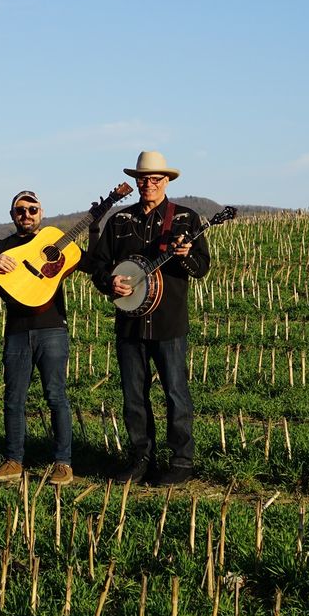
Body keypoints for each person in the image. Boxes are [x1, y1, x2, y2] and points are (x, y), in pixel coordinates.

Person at [89, 152, 211, 485]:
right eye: (144, 179)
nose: (149, 185)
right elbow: (98, 265)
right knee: (133, 395)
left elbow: (201, 268)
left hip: (169, 322)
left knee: (175, 392)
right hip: (129, 322)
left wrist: (185, 256)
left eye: (156, 179)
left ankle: (181, 461)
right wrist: (108, 281)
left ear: (167, 182)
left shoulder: (186, 219)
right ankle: (141, 457)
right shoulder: (119, 221)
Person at [0, 190, 96, 488]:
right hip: (17, 331)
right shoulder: (1, 247)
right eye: (20, 210)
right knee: (13, 398)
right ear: (12, 215)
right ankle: (13, 461)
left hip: (52, 328)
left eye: (33, 209)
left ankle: (63, 463)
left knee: (56, 396)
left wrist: (94, 227)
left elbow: (92, 264)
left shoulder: (53, 240)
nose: (27, 215)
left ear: (41, 213)